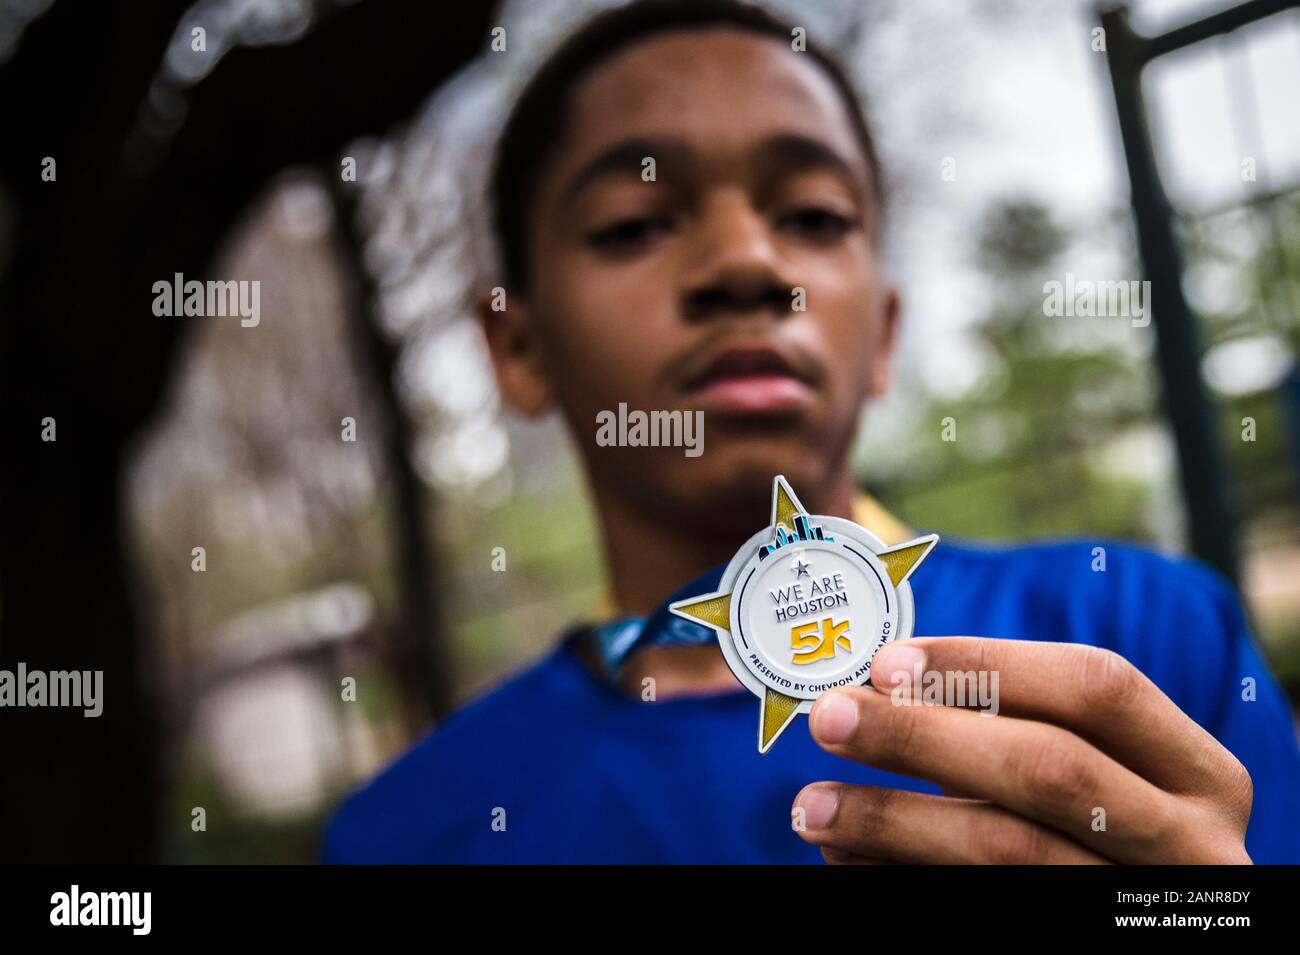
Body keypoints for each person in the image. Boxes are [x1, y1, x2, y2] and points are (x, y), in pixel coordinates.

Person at [323, 0, 1300, 864]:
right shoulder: (409, 834)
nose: (746, 263)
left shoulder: (1150, 642)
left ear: (879, 333)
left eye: (813, 216)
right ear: (517, 345)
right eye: (632, 224)